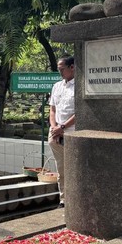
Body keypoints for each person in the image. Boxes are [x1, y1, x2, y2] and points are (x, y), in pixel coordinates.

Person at [48, 55, 76, 208]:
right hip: (56, 133)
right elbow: (52, 109)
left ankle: (75, 198)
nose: (59, 72)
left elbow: (80, 112)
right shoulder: (57, 86)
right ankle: (64, 199)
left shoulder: (80, 86)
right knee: (61, 168)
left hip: (71, 132)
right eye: (58, 69)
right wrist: (54, 127)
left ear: (72, 67)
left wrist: (63, 127)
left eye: (61, 69)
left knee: (74, 168)